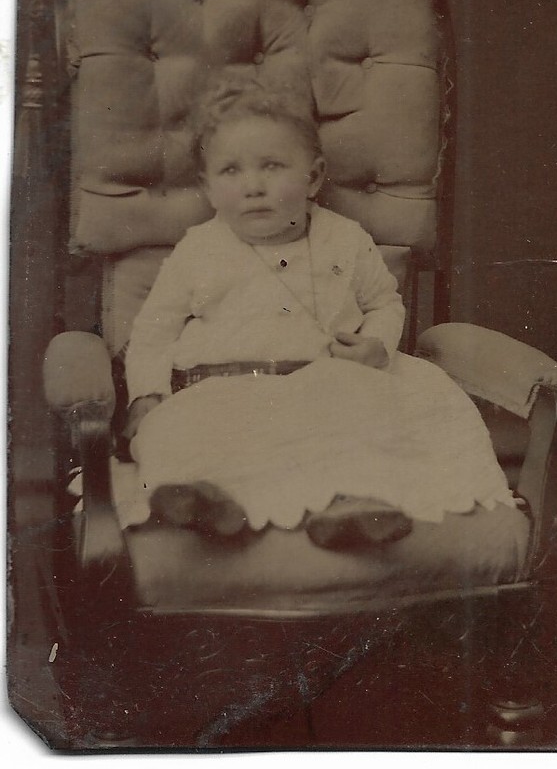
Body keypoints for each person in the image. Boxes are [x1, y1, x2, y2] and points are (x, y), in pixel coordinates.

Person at [123, 88, 516, 549]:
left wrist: (378, 343)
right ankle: (203, 498)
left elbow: (382, 303)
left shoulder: (345, 240)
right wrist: (146, 395)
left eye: (272, 166)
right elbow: (154, 332)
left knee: (359, 425)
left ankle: (351, 505)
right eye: (231, 170)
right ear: (208, 188)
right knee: (172, 429)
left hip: (320, 385)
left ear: (313, 178)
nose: (253, 185)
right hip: (220, 389)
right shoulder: (198, 250)